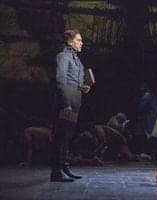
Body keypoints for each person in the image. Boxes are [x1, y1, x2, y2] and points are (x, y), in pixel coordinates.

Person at [50, 29, 91, 182]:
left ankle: (63, 167)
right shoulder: (63, 56)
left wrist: (84, 87)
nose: (81, 43)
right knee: (61, 136)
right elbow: (60, 80)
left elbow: (74, 80)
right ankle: (56, 172)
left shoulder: (77, 59)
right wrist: (65, 103)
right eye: (79, 40)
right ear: (70, 41)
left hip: (75, 102)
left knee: (67, 136)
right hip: (66, 103)